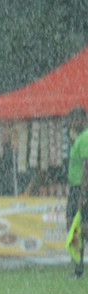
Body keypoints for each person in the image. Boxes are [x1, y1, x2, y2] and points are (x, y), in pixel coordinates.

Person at [66, 107, 88, 278]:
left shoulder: (86, 136)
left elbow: (86, 166)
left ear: (83, 119)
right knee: (72, 226)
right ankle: (78, 268)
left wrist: (82, 193)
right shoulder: (77, 138)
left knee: (82, 228)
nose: (72, 123)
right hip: (74, 187)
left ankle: (79, 268)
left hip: (81, 188)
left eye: (75, 119)